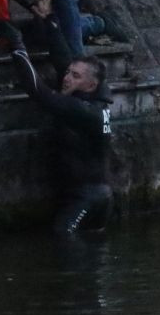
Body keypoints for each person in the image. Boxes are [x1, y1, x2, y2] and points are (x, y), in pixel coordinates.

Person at [9, 29, 113, 239]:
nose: (66, 78)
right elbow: (63, 59)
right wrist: (50, 24)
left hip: (85, 198)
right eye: (68, 73)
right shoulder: (96, 101)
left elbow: (39, 92)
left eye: (75, 76)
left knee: (64, 241)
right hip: (97, 195)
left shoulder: (81, 110)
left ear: (90, 85)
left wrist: (18, 49)